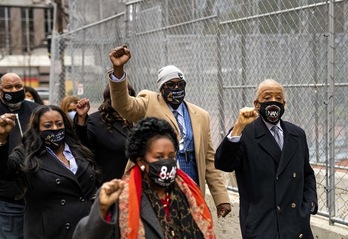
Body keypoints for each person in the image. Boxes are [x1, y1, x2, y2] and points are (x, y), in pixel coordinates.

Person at [107, 45, 231, 218]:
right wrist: (118, 70)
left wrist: (221, 198)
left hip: (191, 188)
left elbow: (209, 159)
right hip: (155, 187)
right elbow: (124, 106)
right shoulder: (149, 101)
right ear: (161, 87)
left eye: (181, 84)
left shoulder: (201, 115)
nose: (176, 88)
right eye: (171, 84)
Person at [73, 117, 216, 239]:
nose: (166, 162)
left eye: (171, 156)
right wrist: (102, 210)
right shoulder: (119, 195)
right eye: (159, 157)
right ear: (141, 161)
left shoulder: (189, 192)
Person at [214, 79, 318, 239]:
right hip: (261, 225)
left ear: (284, 104)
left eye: (278, 98)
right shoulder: (245, 133)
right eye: (267, 97)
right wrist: (238, 127)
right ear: (257, 104)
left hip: (296, 224)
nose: (273, 102)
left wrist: (309, 203)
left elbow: (307, 174)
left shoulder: (297, 134)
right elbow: (224, 164)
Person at [0, 105, 99, 239]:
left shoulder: (77, 149)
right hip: (49, 231)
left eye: (59, 124)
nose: (54, 129)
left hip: (85, 229)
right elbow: (4, 171)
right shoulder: (26, 153)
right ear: (37, 129)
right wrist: (2, 139)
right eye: (47, 125)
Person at [0, 72, 40, 239]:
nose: (14, 90)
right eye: (8, 87)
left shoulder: (35, 111)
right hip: (8, 196)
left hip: (37, 193)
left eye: (18, 86)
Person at [74, 83, 136, 184]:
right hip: (110, 184)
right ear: (110, 96)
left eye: (127, 94)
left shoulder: (136, 118)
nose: (124, 97)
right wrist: (81, 119)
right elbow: (83, 145)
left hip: (135, 184)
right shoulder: (96, 121)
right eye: (119, 93)